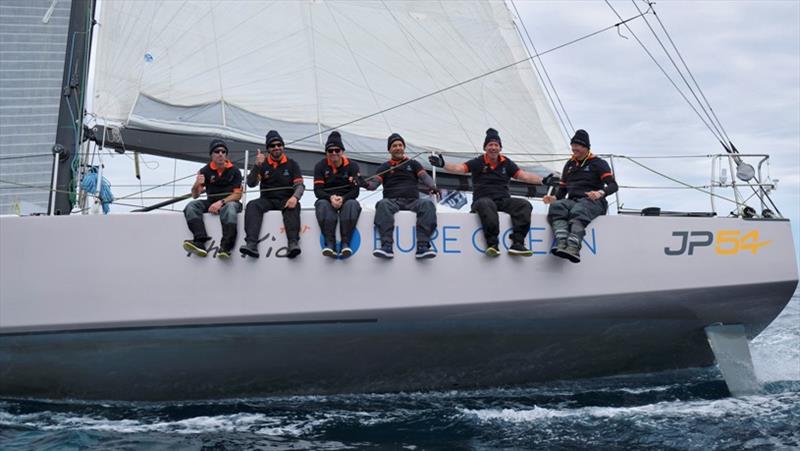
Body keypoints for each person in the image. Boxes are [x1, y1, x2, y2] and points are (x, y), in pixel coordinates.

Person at [429, 128, 553, 257]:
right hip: (482, 200)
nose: (493, 148)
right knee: (487, 204)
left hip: (502, 200)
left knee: (524, 205)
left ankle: (518, 243)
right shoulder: (478, 162)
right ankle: (492, 244)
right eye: (490, 145)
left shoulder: (507, 163)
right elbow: (459, 168)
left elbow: (524, 176)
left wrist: (543, 180)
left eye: (496, 145)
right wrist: (443, 164)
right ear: (485, 148)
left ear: (500, 148)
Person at [542, 129, 618, 263]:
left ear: (585, 147)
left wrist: (600, 193)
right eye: (573, 145)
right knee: (557, 206)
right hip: (573, 200)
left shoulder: (598, 163)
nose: (573, 148)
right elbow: (562, 191)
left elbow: (613, 185)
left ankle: (573, 248)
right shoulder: (569, 164)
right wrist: (553, 198)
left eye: (577, 146)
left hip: (593, 201)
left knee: (579, 210)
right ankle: (561, 243)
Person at [360, 133, 439, 259]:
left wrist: (433, 186)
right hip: (392, 201)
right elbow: (373, 185)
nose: (398, 148)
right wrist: (363, 183)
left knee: (428, 204)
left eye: (400, 145)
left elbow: (424, 177)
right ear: (389, 150)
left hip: (413, 201)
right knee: (382, 204)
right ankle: (386, 246)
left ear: (404, 147)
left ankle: (423, 246)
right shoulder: (384, 167)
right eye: (394, 146)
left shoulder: (413, 164)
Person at [239, 130, 304, 259]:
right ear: (268, 149)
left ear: (283, 146)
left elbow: (300, 185)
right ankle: (251, 244)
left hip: (285, 199)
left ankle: (293, 244)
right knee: (253, 205)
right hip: (267, 199)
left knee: (293, 206)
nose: (276, 147)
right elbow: (251, 183)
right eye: (272, 145)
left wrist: (295, 197)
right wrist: (257, 165)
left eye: (279, 144)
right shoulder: (263, 164)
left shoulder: (292, 164)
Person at [182, 139, 243, 259]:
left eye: (223, 151)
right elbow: (195, 195)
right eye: (217, 151)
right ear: (211, 154)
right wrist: (196, 184)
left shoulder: (235, 170)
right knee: (191, 206)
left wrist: (221, 202)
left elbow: (238, 195)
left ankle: (226, 247)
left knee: (230, 208)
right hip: (211, 201)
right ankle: (200, 240)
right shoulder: (205, 171)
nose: (220, 154)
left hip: (230, 201)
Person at [313, 131, 362, 257]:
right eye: (330, 150)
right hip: (327, 199)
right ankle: (330, 244)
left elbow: (355, 191)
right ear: (326, 152)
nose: (334, 153)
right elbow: (317, 191)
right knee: (322, 204)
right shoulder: (320, 166)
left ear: (342, 151)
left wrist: (343, 198)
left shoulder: (353, 166)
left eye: (337, 150)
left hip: (346, 199)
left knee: (352, 204)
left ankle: (346, 243)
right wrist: (330, 198)